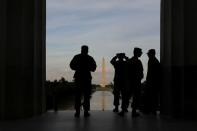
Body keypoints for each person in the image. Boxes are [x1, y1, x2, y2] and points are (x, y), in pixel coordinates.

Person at [70, 45, 97, 117]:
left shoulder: (77, 57)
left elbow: (71, 66)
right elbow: (94, 68)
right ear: (87, 50)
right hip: (86, 78)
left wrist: (78, 68)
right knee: (86, 96)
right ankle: (85, 111)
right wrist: (88, 68)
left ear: (81, 50)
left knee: (78, 96)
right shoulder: (90, 58)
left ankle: (77, 111)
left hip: (79, 78)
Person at [122, 47, 143, 117]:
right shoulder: (138, 62)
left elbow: (125, 72)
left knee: (127, 96)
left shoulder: (129, 61)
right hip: (136, 82)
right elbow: (141, 73)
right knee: (136, 97)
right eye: (140, 52)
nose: (141, 53)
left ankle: (123, 110)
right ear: (137, 53)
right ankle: (133, 111)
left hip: (129, 82)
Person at [143, 49, 161, 115]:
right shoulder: (153, 60)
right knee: (153, 96)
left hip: (152, 82)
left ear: (151, 54)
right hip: (153, 82)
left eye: (148, 53)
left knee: (151, 96)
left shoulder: (152, 61)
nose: (147, 55)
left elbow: (151, 73)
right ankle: (152, 110)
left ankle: (150, 110)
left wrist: (148, 81)